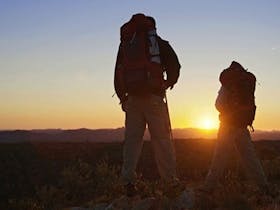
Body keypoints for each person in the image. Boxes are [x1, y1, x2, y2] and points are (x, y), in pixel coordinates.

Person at [114, 14, 181, 197]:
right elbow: (175, 65)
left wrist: (123, 97)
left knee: (132, 143)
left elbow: (118, 71)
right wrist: (168, 82)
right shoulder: (158, 44)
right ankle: (170, 182)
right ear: (152, 28)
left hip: (133, 100)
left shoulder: (126, 45)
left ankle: (128, 182)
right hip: (154, 98)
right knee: (161, 141)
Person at [203, 61, 268, 193]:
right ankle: (264, 187)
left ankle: (208, 188)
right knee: (250, 158)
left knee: (219, 157)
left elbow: (218, 104)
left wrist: (227, 113)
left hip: (228, 124)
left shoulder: (229, 82)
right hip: (243, 125)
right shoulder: (246, 82)